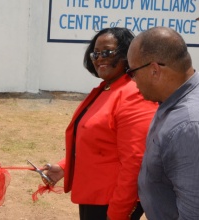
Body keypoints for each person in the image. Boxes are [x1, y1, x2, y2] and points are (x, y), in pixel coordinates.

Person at [43, 27, 158, 220]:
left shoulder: (134, 94)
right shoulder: (107, 88)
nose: (99, 58)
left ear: (127, 54)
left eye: (107, 52)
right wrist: (65, 167)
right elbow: (99, 141)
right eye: (95, 53)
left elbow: (135, 161)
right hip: (95, 195)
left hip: (113, 200)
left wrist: (118, 212)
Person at [127, 26, 199, 219]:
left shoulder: (187, 126)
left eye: (132, 72)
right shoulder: (175, 99)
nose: (132, 81)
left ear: (154, 70)